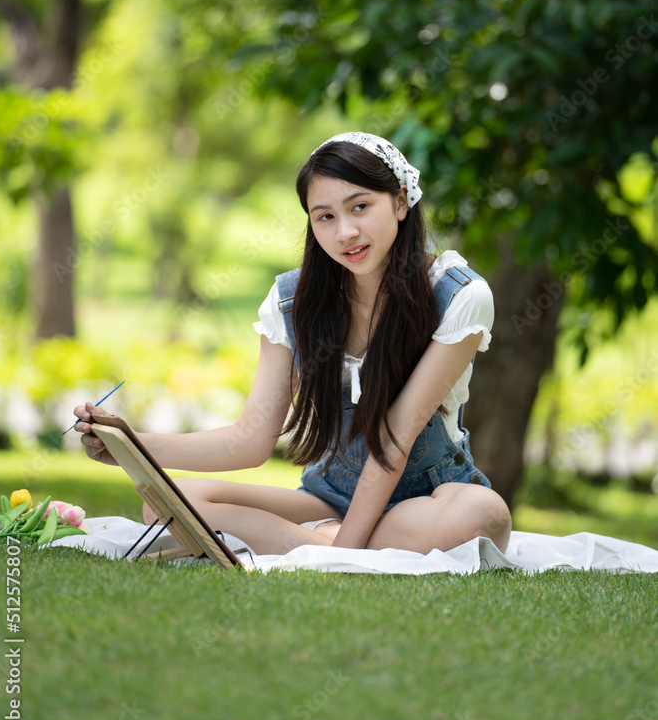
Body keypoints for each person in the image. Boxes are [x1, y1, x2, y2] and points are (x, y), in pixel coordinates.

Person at [75, 132, 511, 556]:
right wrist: (129, 444)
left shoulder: (457, 295)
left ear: (400, 201)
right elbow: (250, 439)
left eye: (360, 207)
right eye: (325, 217)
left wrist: (344, 550)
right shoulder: (294, 303)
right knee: (166, 502)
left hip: (426, 501)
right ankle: (324, 540)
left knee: (484, 513)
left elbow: (393, 439)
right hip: (330, 498)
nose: (345, 233)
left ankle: (319, 543)